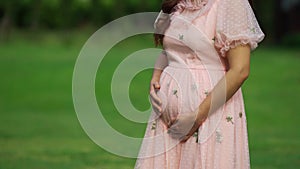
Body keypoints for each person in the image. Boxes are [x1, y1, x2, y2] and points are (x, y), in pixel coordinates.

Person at [135, 0, 264, 168]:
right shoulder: (180, 4)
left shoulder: (231, 4)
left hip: (209, 117)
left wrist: (196, 117)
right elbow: (172, 49)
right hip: (165, 121)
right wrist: (156, 78)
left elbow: (240, 70)